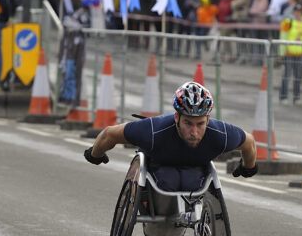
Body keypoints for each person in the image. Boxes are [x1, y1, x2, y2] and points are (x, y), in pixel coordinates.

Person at [83, 82, 258, 191]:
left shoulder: (220, 134)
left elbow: (248, 142)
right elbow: (109, 134)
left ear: (208, 119)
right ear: (176, 118)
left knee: (189, 182)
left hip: (194, 173)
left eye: (200, 124)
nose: (194, 132)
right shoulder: (153, 130)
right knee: (170, 181)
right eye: (188, 123)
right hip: (159, 168)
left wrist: (248, 167)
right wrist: (94, 154)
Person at [279, 3, 302, 104]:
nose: (298, 13)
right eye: (296, 11)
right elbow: (283, 36)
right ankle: (283, 97)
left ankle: (296, 98)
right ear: (293, 12)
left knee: (298, 77)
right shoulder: (288, 22)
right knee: (286, 76)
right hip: (289, 53)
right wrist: (281, 52)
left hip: (300, 54)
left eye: (299, 11)